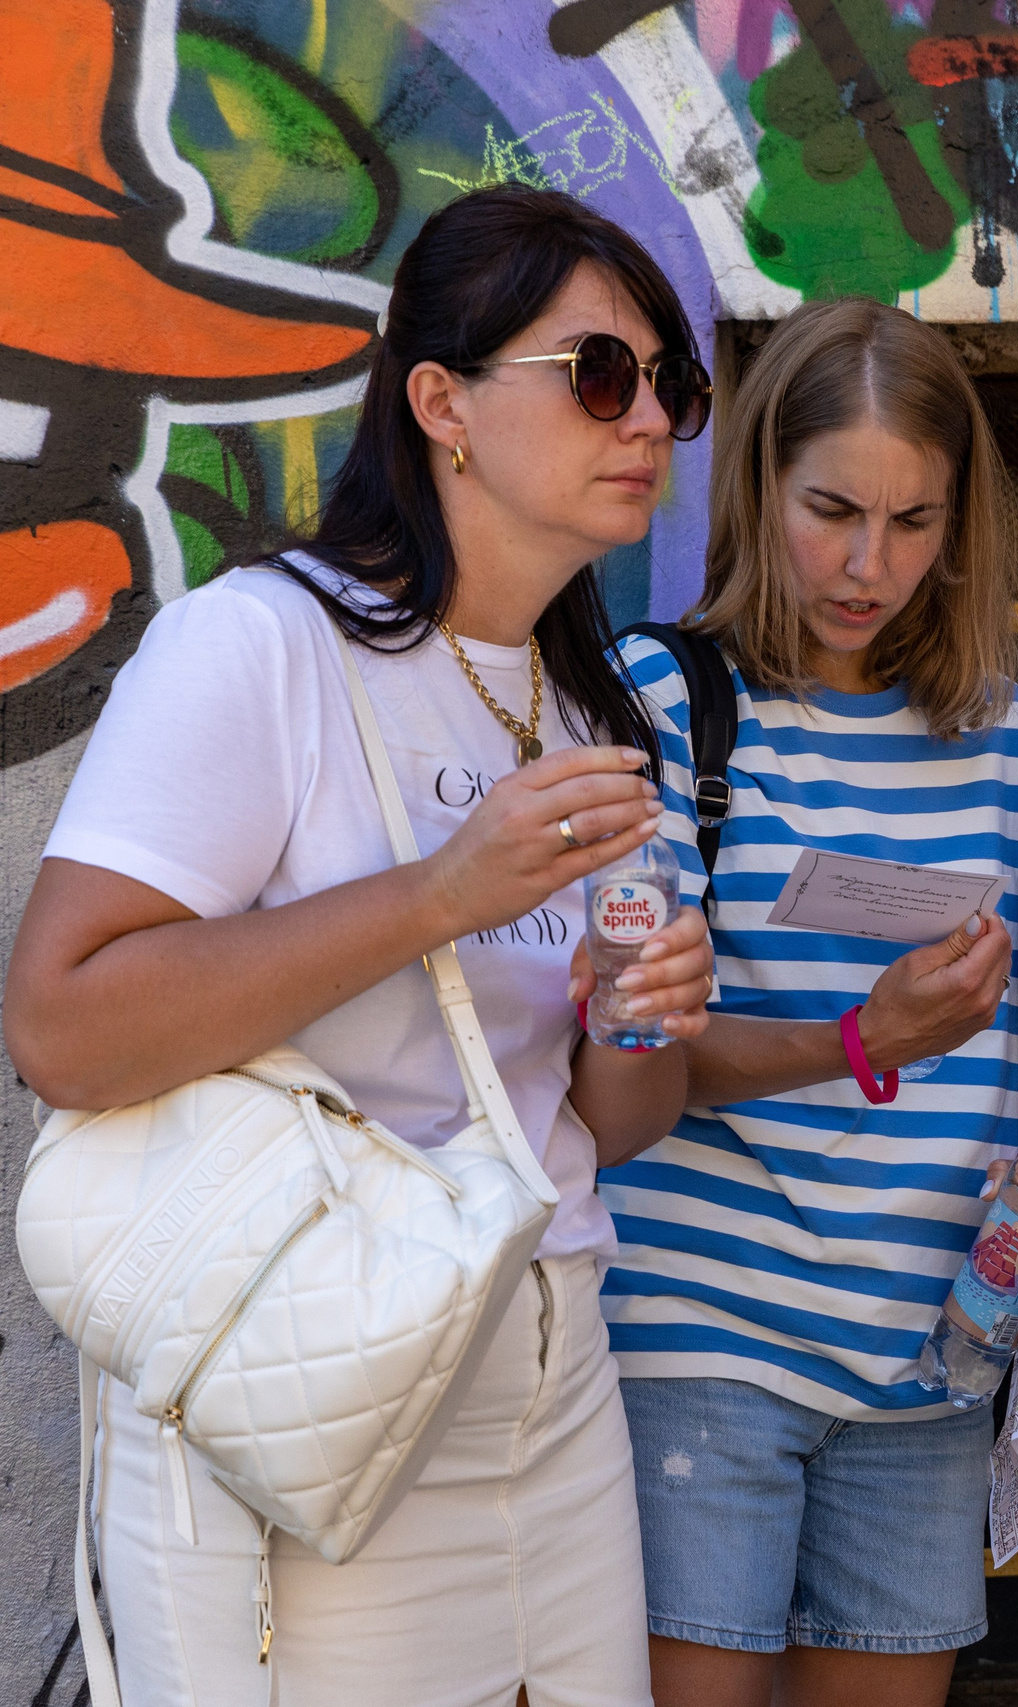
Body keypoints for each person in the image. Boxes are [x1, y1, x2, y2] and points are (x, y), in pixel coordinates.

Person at [7, 184, 718, 1703]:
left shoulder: (593, 709)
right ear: (442, 403)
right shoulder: (262, 643)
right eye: (601, 373)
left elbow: (610, 1122)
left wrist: (640, 1016)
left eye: (673, 382)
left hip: (553, 1382)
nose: (649, 415)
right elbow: (60, 1027)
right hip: (304, 1385)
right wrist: (438, 895)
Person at [596, 297, 1018, 1707]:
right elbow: (625, 1062)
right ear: (761, 482)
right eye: (832, 509)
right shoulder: (666, 700)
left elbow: (1010, 1039)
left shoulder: (1004, 730)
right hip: (699, 1332)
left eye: (914, 522)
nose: (867, 563)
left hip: (931, 1354)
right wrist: (863, 1039)